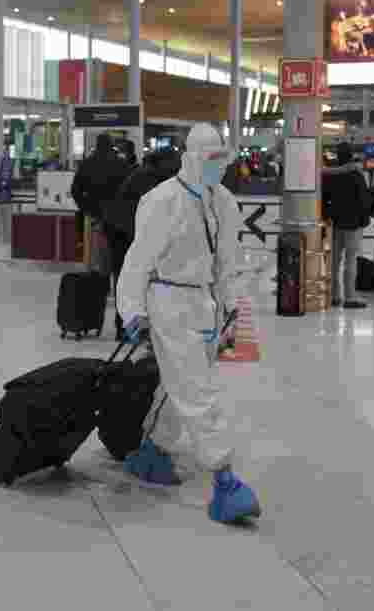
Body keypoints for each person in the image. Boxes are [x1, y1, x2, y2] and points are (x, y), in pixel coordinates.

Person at [117, 124, 262, 526]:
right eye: (210, 158)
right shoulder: (161, 201)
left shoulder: (225, 202)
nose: (218, 166)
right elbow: (137, 261)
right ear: (192, 156)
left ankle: (153, 450)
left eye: (222, 157)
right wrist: (131, 310)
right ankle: (225, 480)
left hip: (205, 303)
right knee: (198, 389)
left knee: (178, 381)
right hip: (167, 301)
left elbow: (230, 262)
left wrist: (234, 308)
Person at [101, 147, 182, 340]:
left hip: (122, 229)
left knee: (130, 276)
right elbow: (151, 214)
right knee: (129, 277)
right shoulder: (148, 179)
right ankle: (127, 327)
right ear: (166, 163)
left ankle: (128, 326)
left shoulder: (148, 173)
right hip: (123, 232)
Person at [72, 133, 133, 278]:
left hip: (95, 216)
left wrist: (86, 208)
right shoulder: (121, 164)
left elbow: (75, 191)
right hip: (118, 218)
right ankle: (118, 290)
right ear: (111, 145)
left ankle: (98, 290)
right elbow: (130, 190)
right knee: (118, 258)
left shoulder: (87, 164)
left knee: (97, 258)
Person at [323, 142, 371, 309]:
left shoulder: (330, 174)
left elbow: (324, 198)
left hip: (335, 223)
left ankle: (334, 296)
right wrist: (364, 220)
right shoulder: (356, 174)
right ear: (351, 155)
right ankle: (350, 297)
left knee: (333, 261)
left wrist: (328, 216)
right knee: (351, 260)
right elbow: (364, 200)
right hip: (354, 223)